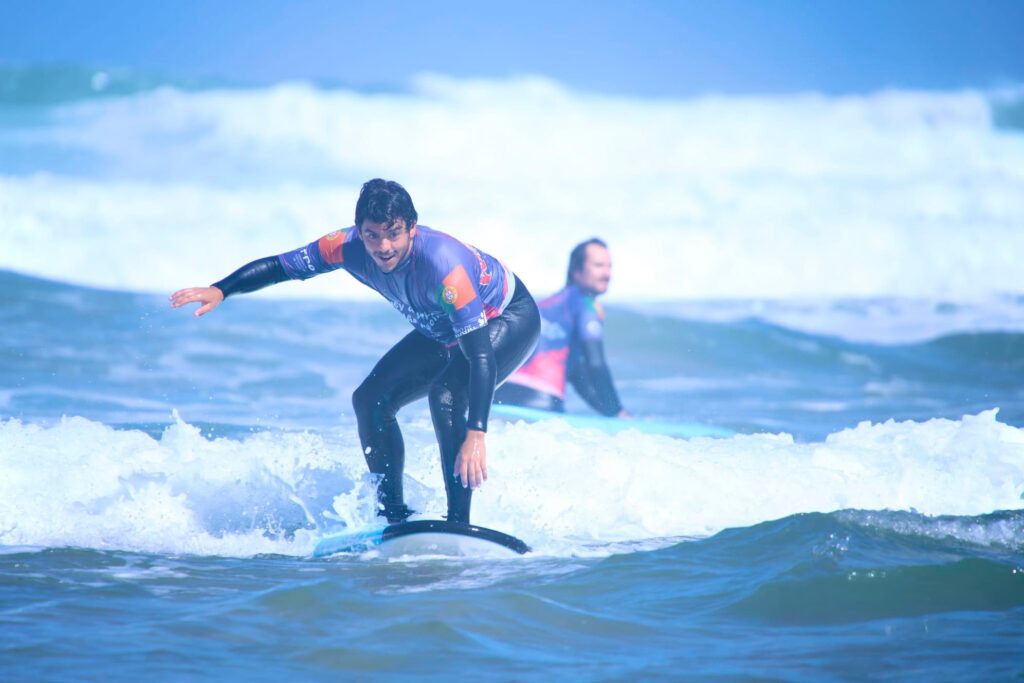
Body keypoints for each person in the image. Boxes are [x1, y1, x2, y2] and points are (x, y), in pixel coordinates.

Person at [170, 179, 540, 525]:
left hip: (507, 318)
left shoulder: (445, 267)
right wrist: (222, 289)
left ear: (412, 228)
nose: (383, 247)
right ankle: (393, 515)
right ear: (359, 230)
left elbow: (479, 358)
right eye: (372, 235)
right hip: (440, 326)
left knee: (445, 395)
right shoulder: (344, 247)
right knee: (371, 400)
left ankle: (458, 524)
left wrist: (476, 432)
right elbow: (282, 267)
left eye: (394, 234)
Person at [494, 238, 627, 417]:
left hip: (498, 396)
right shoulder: (586, 304)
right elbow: (595, 364)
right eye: (599, 266)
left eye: (609, 266)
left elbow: (574, 373)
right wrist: (618, 412)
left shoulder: (540, 305)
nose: (607, 274)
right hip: (542, 400)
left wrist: (608, 412)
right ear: (576, 271)